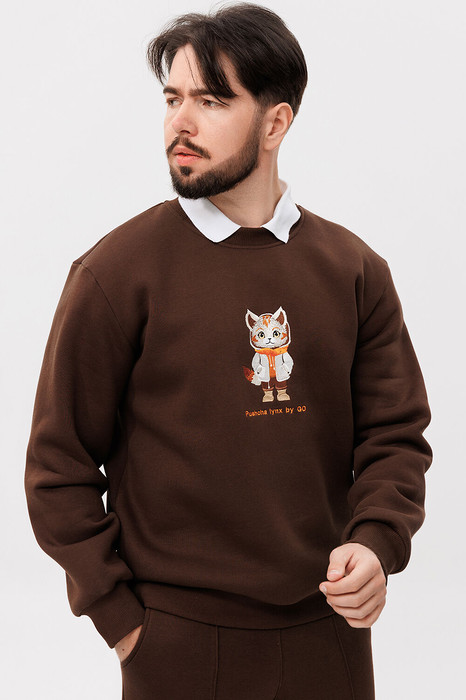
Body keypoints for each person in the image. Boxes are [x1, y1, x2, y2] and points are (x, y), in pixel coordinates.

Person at [24, 3, 433, 699]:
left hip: (330, 633)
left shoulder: (354, 270)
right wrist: (121, 619)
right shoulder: (116, 273)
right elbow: (58, 466)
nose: (180, 124)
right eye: (172, 99)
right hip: (178, 642)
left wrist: (376, 542)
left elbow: (395, 436)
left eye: (211, 101)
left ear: (275, 124)